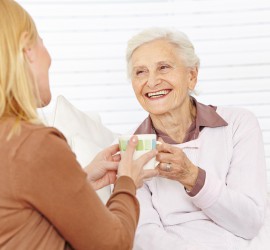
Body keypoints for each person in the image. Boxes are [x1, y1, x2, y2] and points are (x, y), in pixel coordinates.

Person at [0, 1, 158, 249]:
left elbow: (19, 209)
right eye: (42, 44)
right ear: (27, 51)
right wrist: (127, 182)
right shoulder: (34, 143)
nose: (49, 59)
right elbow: (113, 244)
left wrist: (78, 181)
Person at [126, 27, 268, 249]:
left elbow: (249, 222)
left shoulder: (238, 124)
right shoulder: (133, 150)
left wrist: (192, 176)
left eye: (163, 67)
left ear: (191, 76)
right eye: (140, 72)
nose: (152, 82)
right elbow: (146, 236)